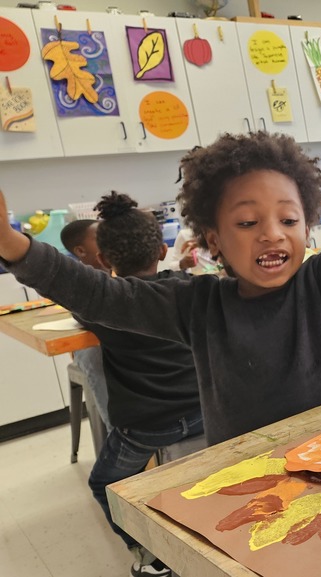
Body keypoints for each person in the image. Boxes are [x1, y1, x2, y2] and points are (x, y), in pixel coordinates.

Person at [0, 76, 321, 446]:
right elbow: (100, 295)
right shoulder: (196, 306)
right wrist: (14, 245)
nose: (272, 233)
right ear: (213, 241)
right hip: (245, 483)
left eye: (288, 218)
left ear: (307, 227)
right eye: (246, 222)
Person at [79, 192, 205, 577]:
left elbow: (82, 304)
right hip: (205, 411)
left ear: (102, 259)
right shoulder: (187, 288)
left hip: (148, 427)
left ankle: (151, 558)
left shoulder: (101, 304)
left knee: (104, 483)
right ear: (163, 247)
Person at [59, 219, 112, 431]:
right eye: (100, 238)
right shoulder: (75, 279)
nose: (108, 241)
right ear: (81, 251)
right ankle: (115, 430)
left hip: (123, 344)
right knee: (94, 355)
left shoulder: (118, 269)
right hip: (95, 347)